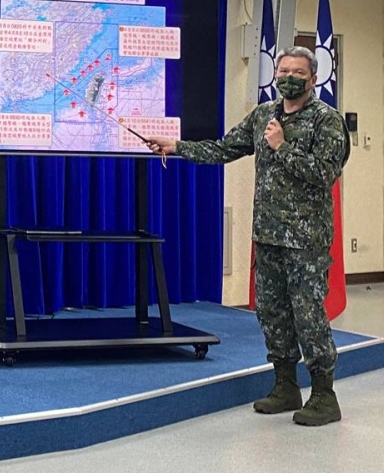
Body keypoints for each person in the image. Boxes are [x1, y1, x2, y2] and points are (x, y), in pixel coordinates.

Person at [147, 46, 350, 426]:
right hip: (268, 235)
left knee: (308, 317)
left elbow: (325, 174)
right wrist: (176, 147)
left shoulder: (327, 120)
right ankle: (285, 386)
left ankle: (324, 396)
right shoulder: (264, 115)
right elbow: (225, 148)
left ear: (313, 79)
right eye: (283, 71)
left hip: (305, 241)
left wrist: (282, 147)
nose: (289, 78)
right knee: (272, 315)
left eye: (298, 72)